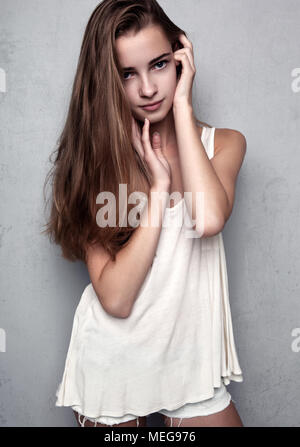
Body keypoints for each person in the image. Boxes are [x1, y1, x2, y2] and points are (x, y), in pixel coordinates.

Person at [42, 0, 247, 427]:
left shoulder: (224, 145)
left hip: (192, 366)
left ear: (180, 59)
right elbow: (115, 299)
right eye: (127, 74)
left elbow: (208, 220)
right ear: (107, 81)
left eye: (159, 65)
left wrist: (184, 107)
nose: (149, 89)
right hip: (112, 365)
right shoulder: (94, 165)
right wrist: (157, 190)